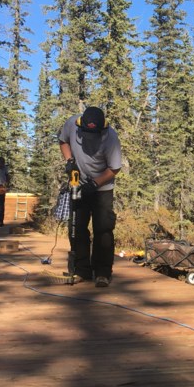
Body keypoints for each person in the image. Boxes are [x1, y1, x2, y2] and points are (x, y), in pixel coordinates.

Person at [58, 106, 122, 287]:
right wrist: (70, 162)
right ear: (81, 126)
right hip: (79, 183)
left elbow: (114, 168)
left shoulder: (110, 137)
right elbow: (63, 141)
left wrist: (95, 184)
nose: (90, 138)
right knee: (78, 228)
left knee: (103, 230)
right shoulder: (72, 123)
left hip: (102, 187)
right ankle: (82, 270)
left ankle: (102, 272)